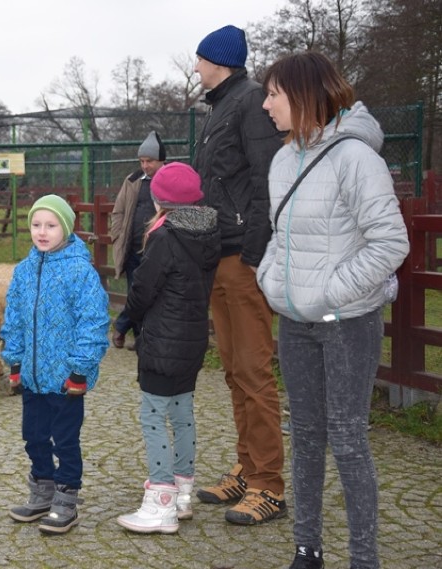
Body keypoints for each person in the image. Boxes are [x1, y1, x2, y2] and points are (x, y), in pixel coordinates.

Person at [258, 52, 409, 569]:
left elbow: (391, 243)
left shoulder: (355, 158)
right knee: (304, 437)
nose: (266, 103)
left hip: (348, 324)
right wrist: (272, 281)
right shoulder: (282, 160)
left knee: (347, 439)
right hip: (295, 324)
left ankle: (364, 559)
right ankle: (307, 550)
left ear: (304, 95)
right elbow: (280, 238)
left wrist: (329, 292)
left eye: (274, 94)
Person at [190, 24, 288, 525]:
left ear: (220, 61)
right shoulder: (217, 109)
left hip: (242, 262)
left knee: (253, 372)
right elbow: (214, 192)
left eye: (201, 60)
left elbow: (267, 180)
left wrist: (253, 256)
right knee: (232, 372)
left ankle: (270, 484)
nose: (196, 68)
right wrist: (181, 227)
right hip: (218, 257)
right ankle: (248, 469)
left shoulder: (250, 102)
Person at [116, 162, 220, 534]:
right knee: (182, 414)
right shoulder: (207, 233)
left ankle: (160, 499)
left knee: (152, 416)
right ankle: (182, 493)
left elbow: (143, 289)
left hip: (162, 340)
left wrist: (126, 320)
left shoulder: (164, 237)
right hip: (191, 341)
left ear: (159, 199)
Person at [1, 194, 109, 535]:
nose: (42, 232)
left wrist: (80, 370)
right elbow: (14, 319)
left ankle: (66, 499)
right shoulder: (24, 270)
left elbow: (92, 323)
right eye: (36, 225)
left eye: (50, 225)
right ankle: (42, 491)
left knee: (64, 439)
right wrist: (15, 362)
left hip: (65, 380)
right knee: (33, 436)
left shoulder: (80, 272)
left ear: (66, 228)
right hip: (32, 377)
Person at [109, 131, 166, 350]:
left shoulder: (169, 179)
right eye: (142, 161)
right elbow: (118, 211)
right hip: (133, 248)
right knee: (136, 292)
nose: (145, 165)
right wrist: (117, 235)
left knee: (149, 294)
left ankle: (122, 326)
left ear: (161, 160)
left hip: (156, 249)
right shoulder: (132, 180)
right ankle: (140, 338)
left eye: (149, 161)